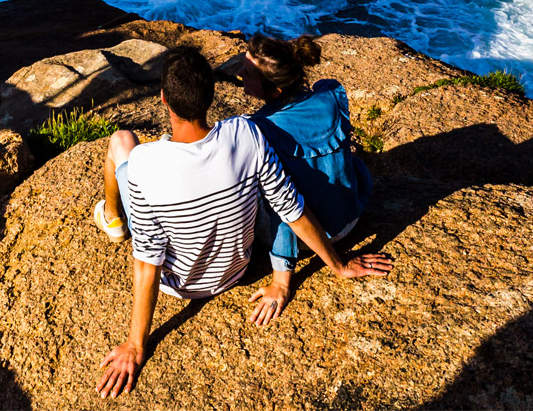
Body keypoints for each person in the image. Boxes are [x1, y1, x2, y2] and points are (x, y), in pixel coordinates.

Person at [91, 46, 393, 398]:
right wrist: (337, 265)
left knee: (121, 141)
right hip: (237, 269)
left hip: (178, 284)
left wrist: (135, 346)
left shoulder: (144, 163)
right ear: (211, 96)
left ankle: (112, 220)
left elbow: (147, 263)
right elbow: (291, 209)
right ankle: (116, 218)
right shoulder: (246, 134)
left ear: (163, 99)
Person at [237, 33, 375, 284]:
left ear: (276, 90)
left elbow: (282, 206)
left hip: (309, 238)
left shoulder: (260, 130)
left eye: (247, 72)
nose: (239, 73)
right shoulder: (331, 94)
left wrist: (281, 279)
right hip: (351, 215)